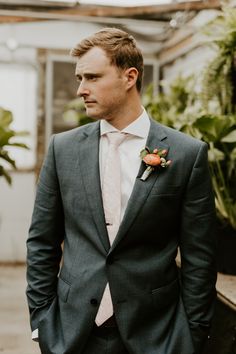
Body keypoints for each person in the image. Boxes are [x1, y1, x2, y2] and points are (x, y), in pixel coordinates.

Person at [26, 27, 217, 354]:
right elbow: (42, 242)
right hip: (73, 334)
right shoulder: (63, 150)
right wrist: (43, 321)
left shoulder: (186, 154)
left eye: (92, 77)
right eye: (79, 79)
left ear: (130, 77)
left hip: (156, 334)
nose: (81, 90)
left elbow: (200, 256)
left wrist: (192, 334)